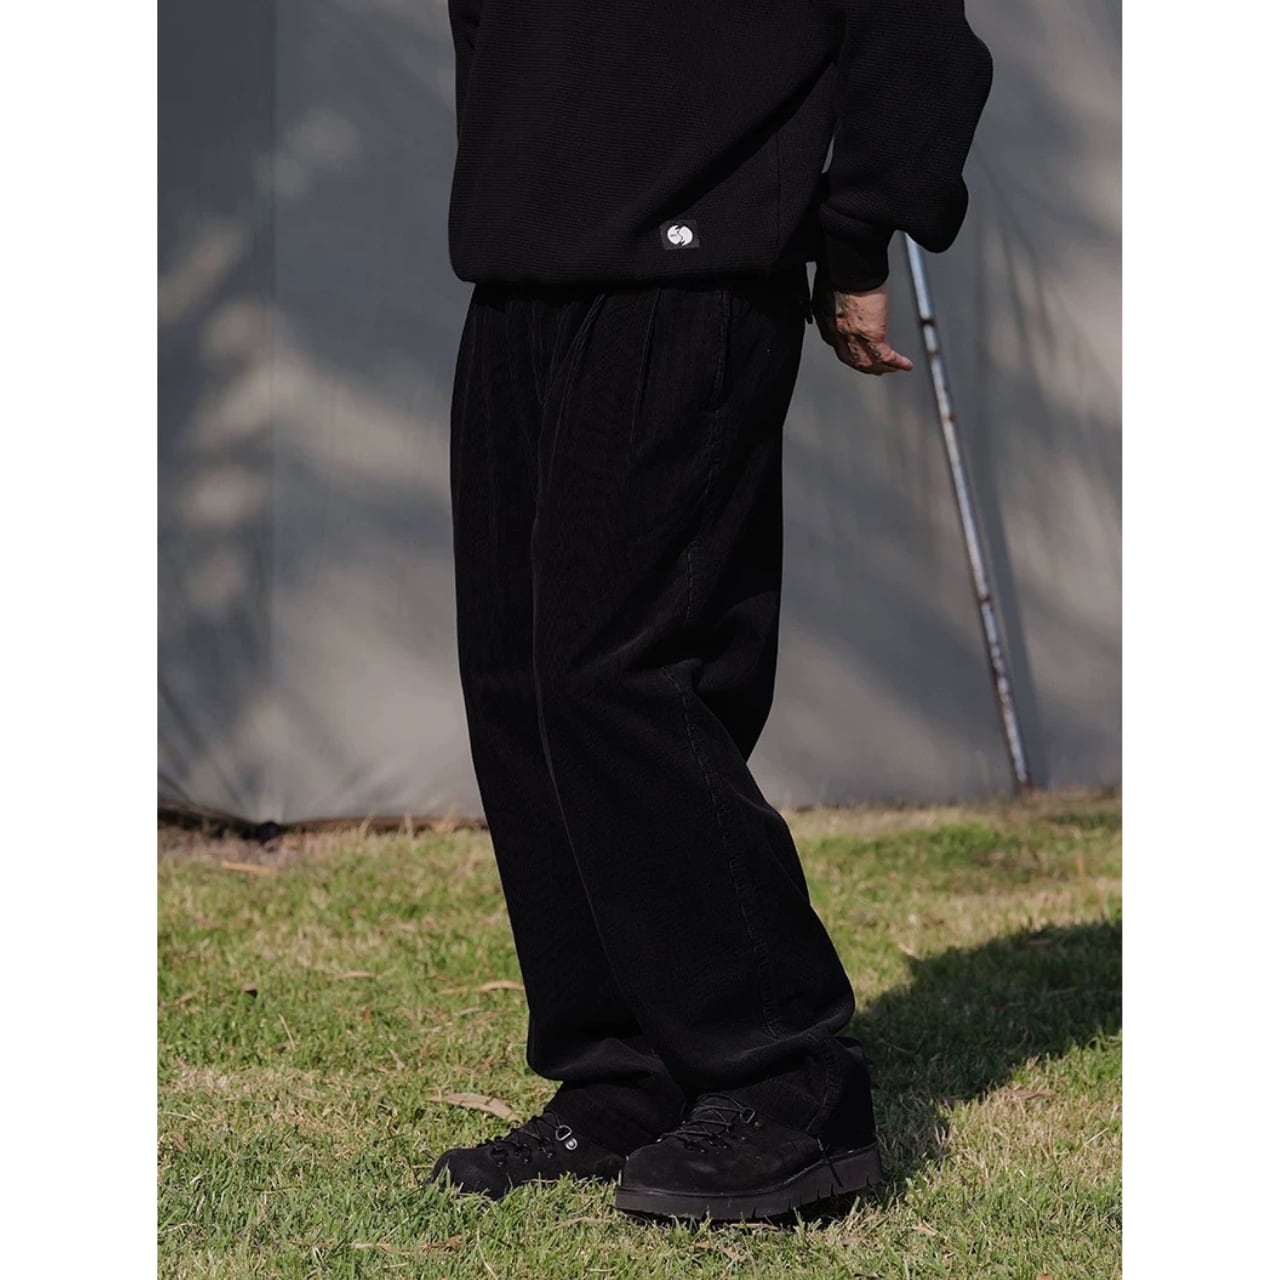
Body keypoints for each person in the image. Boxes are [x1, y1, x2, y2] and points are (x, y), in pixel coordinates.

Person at [431, 0, 992, 1221]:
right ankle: (623, 1070)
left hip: (692, 256)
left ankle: (790, 1080)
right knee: (519, 681)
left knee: (620, 671)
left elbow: (911, 21)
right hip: (522, 254)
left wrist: (856, 229)